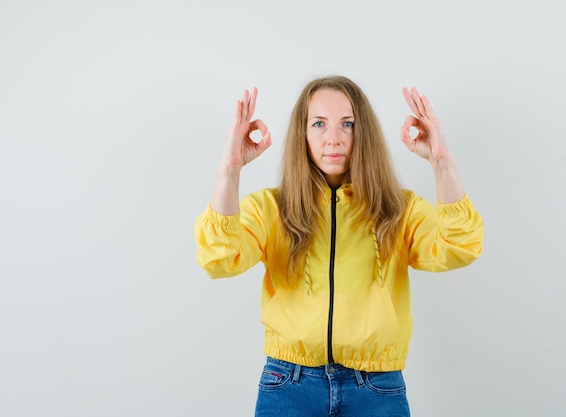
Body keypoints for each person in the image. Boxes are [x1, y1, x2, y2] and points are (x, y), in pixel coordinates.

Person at [194, 75, 483, 417]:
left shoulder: (397, 210)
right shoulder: (272, 209)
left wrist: (441, 160)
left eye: (347, 124)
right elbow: (219, 258)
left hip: (377, 388)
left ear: (364, 133)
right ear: (301, 134)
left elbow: (459, 245)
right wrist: (230, 168)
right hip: (288, 384)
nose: (333, 138)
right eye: (318, 124)